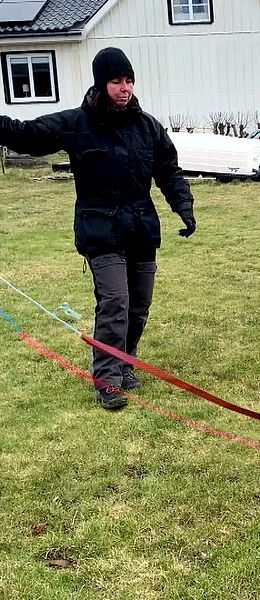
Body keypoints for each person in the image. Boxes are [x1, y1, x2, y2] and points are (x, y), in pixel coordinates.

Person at [0, 47, 196, 410]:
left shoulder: (148, 126)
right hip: (100, 230)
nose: (124, 88)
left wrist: (183, 207)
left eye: (129, 80)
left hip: (140, 229)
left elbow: (169, 170)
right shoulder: (77, 124)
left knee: (138, 307)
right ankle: (107, 380)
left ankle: (125, 363)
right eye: (116, 81)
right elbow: (28, 135)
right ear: (101, 83)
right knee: (115, 303)